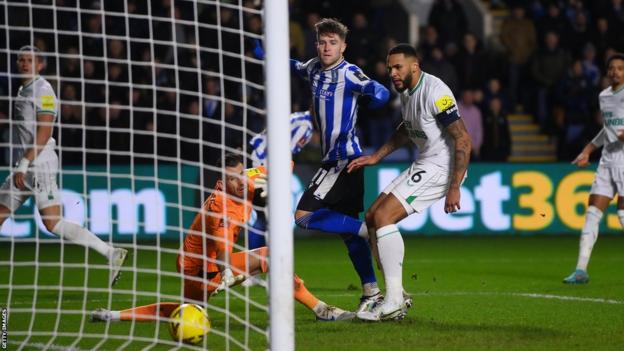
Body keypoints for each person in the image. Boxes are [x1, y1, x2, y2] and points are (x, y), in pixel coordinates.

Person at [91, 152, 354, 322]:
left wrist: (270, 180)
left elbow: (287, 163)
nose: (239, 183)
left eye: (241, 174)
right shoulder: (222, 208)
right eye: (231, 179)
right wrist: (227, 271)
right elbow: (223, 248)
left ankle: (321, 310)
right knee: (189, 314)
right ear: (222, 180)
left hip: (197, 260)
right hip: (200, 269)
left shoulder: (250, 178)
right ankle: (116, 315)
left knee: (270, 259)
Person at [348, 44, 471, 320]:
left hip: (442, 168)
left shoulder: (436, 93)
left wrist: (454, 186)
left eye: (397, 67)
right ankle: (397, 295)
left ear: (414, 66)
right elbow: (406, 129)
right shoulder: (405, 91)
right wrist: (377, 156)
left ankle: (392, 301)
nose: (391, 73)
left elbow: (463, 138)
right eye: (389, 67)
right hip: (425, 162)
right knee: (371, 218)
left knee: (384, 217)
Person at [0, 46, 127, 286]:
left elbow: (45, 130)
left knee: (52, 223)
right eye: (21, 60)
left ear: (40, 65)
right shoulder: (22, 89)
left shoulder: (44, 90)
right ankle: (111, 253)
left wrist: (25, 163)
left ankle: (110, 252)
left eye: (30, 60)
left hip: (39, 165)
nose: (24, 64)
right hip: (23, 167)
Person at [289, 18, 391, 313]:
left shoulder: (349, 72)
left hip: (343, 161)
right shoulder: (313, 68)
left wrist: (378, 96)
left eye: (333, 42)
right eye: (322, 42)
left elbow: (377, 89)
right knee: (347, 235)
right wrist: (264, 56)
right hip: (342, 162)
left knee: (304, 216)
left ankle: (365, 228)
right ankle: (371, 290)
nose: (326, 47)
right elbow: (294, 65)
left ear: (344, 46)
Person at [563, 53, 624, 284]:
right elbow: (607, 130)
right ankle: (580, 270)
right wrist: (588, 150)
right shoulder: (604, 96)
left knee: (622, 215)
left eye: (620, 68)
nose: (616, 72)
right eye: (612, 68)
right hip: (607, 162)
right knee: (591, 214)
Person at [247, 110, 314, 250]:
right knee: (266, 218)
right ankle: (259, 263)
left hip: (254, 157)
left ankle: (256, 263)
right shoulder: (305, 125)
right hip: (262, 164)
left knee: (262, 217)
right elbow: (284, 152)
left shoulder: (299, 117)